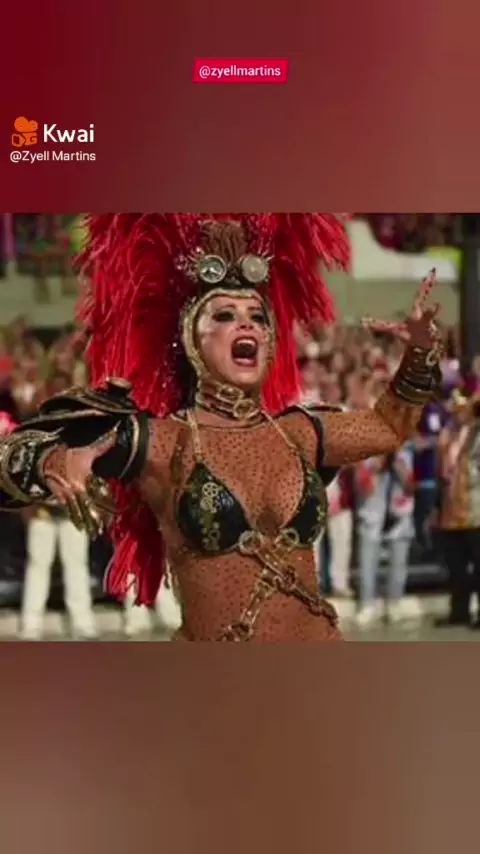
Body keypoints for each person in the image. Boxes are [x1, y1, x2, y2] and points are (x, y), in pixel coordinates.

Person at [0, 214, 442, 642]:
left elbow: (388, 426)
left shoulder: (301, 433)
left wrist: (420, 356)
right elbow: (11, 459)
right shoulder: (163, 442)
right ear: (192, 339)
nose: (246, 323)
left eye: (257, 316)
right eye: (224, 315)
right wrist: (52, 461)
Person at [354, 445, 416, 627]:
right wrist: (374, 469)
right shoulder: (365, 458)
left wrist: (400, 468)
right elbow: (363, 487)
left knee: (398, 564)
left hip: (400, 517)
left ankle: (394, 604)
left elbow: (411, 486)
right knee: (367, 565)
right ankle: (367, 605)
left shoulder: (405, 456)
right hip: (371, 518)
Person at [434, 390, 480, 628]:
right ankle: (459, 611)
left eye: (462, 408)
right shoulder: (449, 434)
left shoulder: (477, 434)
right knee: (456, 565)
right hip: (451, 508)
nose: (458, 413)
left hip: (476, 508)